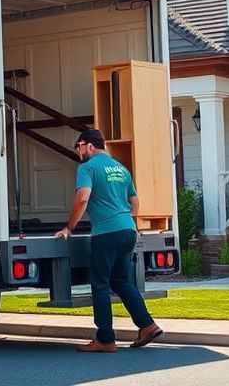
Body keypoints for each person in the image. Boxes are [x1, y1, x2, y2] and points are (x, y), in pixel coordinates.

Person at [55, 129, 163, 353]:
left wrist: (69, 227)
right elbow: (134, 201)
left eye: (79, 147)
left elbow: (83, 197)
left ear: (89, 146)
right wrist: (127, 221)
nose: (78, 152)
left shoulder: (88, 167)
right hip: (128, 230)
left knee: (100, 284)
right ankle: (147, 325)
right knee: (121, 282)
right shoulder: (121, 168)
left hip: (106, 233)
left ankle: (105, 339)